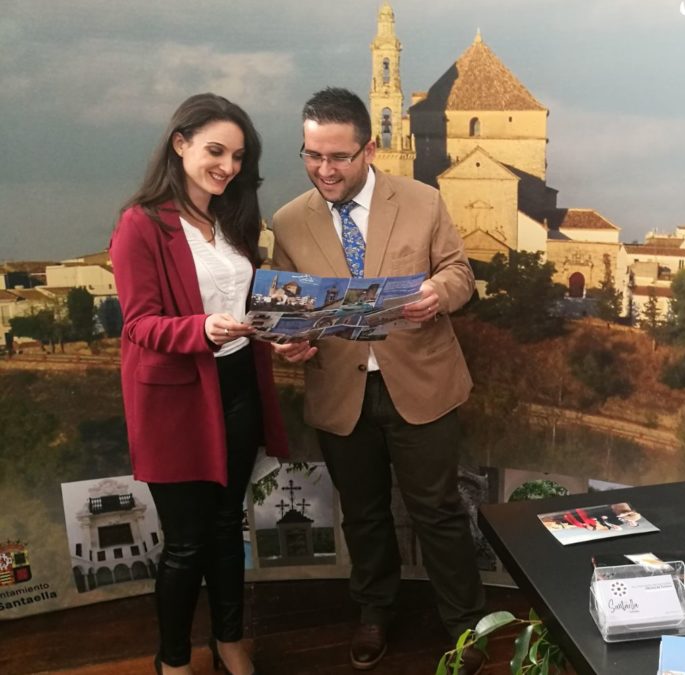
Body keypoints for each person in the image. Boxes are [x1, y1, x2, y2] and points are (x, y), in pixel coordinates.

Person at [271, 87, 486, 673]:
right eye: (312, 155)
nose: (324, 169)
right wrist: (291, 340)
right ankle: (374, 612)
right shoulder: (288, 221)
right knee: (362, 514)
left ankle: (465, 626)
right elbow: (291, 308)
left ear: (368, 150)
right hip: (340, 393)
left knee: (438, 511)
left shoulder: (421, 200)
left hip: (422, 382)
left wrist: (436, 296)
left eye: (338, 157)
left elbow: (460, 274)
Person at [110, 93, 289, 675]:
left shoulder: (234, 218)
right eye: (216, 150)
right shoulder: (140, 224)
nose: (228, 167)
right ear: (179, 143)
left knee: (225, 525)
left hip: (238, 383)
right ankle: (173, 659)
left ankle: (231, 640)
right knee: (186, 542)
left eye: (238, 156)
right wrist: (202, 329)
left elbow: (248, 308)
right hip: (178, 398)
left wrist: (278, 337)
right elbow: (139, 325)